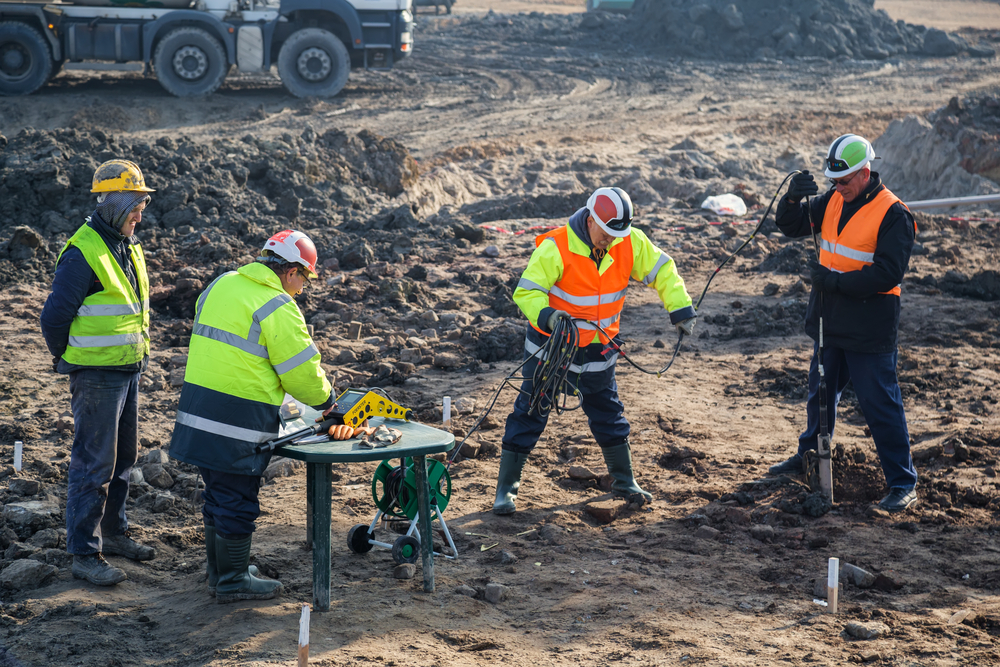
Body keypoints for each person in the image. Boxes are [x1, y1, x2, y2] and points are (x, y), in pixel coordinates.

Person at [168, 230, 352, 603]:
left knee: (218, 494)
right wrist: (330, 405)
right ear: (290, 272)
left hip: (197, 412)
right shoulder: (276, 305)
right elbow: (301, 373)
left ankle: (219, 572)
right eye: (304, 279)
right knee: (237, 499)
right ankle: (233, 581)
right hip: (237, 421)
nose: (302, 289)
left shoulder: (222, 283)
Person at [494, 187, 696, 515]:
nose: (612, 240)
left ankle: (624, 480)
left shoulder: (629, 241)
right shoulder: (556, 247)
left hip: (600, 349)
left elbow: (663, 270)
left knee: (607, 412)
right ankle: (506, 491)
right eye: (607, 233)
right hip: (552, 348)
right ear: (591, 220)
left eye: (618, 234)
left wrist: (680, 308)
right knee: (531, 410)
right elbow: (527, 291)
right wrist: (548, 316)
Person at [768, 133, 919, 513]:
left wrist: (833, 282)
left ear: (865, 172)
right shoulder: (834, 199)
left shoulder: (894, 214)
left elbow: (887, 273)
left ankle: (903, 482)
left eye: (846, 180)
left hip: (868, 328)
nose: (840, 188)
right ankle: (807, 459)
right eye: (834, 182)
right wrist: (791, 198)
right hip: (829, 321)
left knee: (879, 403)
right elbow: (791, 225)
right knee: (819, 394)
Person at [40, 159, 158, 586]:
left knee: (123, 458)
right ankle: (84, 553)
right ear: (111, 203)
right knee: (94, 463)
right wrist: (66, 358)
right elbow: (54, 318)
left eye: (142, 205)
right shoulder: (82, 252)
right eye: (135, 206)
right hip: (95, 376)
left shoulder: (125, 244)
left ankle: (114, 533)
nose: (140, 216)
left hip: (127, 371)